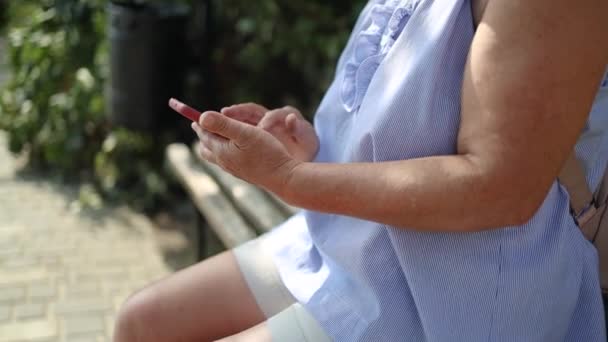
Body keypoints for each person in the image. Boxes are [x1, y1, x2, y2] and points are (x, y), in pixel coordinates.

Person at [113, 0, 608, 340]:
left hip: (450, 298)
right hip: (358, 244)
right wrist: (311, 149)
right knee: (142, 324)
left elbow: (499, 188)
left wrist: (290, 178)